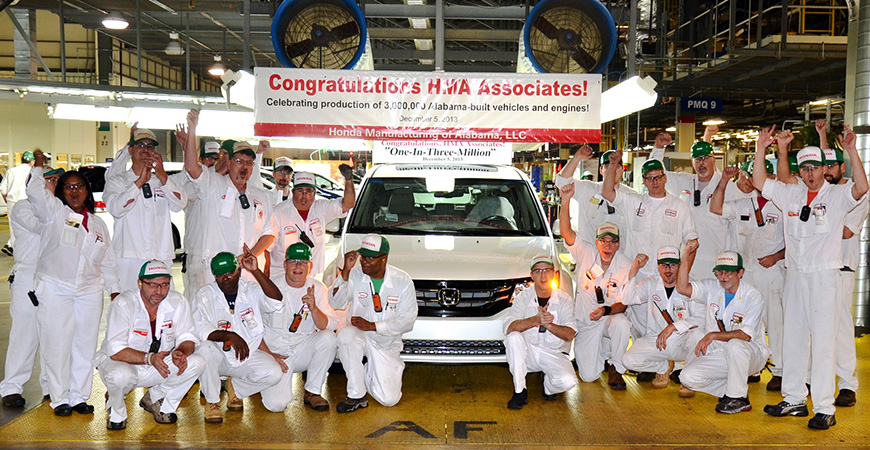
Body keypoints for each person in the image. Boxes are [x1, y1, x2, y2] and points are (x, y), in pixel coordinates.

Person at [755, 125, 868, 429]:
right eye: (804, 169)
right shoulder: (792, 194)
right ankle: (793, 399)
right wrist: (762, 147)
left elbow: (861, 187)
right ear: (800, 171)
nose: (810, 174)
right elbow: (759, 181)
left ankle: (824, 407)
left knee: (822, 342)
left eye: (815, 168)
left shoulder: (837, 195)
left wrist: (852, 151)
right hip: (796, 276)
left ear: (823, 169)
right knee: (794, 339)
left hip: (823, 278)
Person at [26, 150, 121, 416]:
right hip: (56, 288)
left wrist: (113, 289)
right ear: (61, 192)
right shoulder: (54, 212)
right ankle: (59, 399)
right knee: (57, 344)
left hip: (89, 290)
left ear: (87, 191)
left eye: (79, 186)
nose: (75, 191)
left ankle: (79, 395)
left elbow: (108, 258)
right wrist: (39, 166)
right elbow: (35, 193)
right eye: (69, 187)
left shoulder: (99, 224)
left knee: (85, 345)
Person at [95, 260, 205, 430]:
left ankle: (155, 399)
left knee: (197, 362)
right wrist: (149, 358)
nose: (159, 291)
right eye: (153, 285)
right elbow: (115, 350)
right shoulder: (124, 304)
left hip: (158, 363)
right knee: (120, 376)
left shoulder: (178, 302)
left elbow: (188, 336)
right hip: (124, 362)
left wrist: (181, 351)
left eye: (164, 285)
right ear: (140, 283)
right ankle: (117, 411)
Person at [710, 162, 786, 391]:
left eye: (765, 174)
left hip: (771, 272)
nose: (758, 180)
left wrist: (777, 256)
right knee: (745, 323)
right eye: (753, 176)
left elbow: (796, 240)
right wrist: (724, 181)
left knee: (775, 323)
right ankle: (751, 367)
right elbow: (715, 208)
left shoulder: (782, 206)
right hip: (746, 275)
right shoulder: (743, 204)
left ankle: (780, 370)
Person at [182, 109, 275, 283]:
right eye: (239, 161)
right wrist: (192, 129)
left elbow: (269, 233)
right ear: (229, 162)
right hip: (218, 270)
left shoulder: (262, 196)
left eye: (249, 163)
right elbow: (191, 167)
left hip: (250, 272)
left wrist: (250, 255)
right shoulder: (213, 184)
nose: (244, 167)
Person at [675, 243, 769, 414]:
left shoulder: (753, 295)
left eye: (729, 272)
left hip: (750, 355)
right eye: (720, 272)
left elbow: (745, 336)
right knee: (687, 377)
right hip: (720, 354)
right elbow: (682, 288)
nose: (723, 277)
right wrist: (685, 257)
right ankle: (733, 390)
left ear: (740, 273)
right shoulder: (712, 288)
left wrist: (713, 335)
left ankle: (738, 398)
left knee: (735, 344)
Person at [192, 251, 284, 423]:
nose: (226, 278)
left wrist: (256, 271)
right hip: (217, 357)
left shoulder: (251, 290)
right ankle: (213, 402)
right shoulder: (205, 295)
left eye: (230, 273)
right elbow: (199, 328)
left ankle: (236, 388)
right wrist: (228, 335)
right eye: (220, 275)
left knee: (273, 373)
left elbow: (276, 301)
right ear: (214, 276)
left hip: (247, 354)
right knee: (204, 348)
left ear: (239, 270)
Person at [814, 120, 869, 407]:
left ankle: (847, 383)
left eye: (832, 167)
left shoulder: (857, 195)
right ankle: (817, 378)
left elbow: (846, 231)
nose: (827, 171)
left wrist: (814, 230)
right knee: (817, 328)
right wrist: (822, 136)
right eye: (824, 167)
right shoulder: (824, 192)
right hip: (817, 270)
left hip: (841, 269)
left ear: (842, 168)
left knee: (840, 329)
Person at [329, 234, 417, 412]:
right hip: (359, 335)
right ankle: (356, 395)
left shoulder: (403, 281)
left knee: (389, 399)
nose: (364, 262)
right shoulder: (354, 274)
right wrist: (344, 272)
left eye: (371, 257)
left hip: (386, 342)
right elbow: (335, 303)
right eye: (363, 257)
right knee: (346, 335)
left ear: (384, 258)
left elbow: (407, 321)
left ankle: (370, 371)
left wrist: (373, 326)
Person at [0, 167, 62, 408]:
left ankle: (51, 386)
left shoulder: (59, 208)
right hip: (28, 277)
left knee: (53, 335)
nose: (54, 184)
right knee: (24, 335)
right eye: (48, 180)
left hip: (53, 279)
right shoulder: (24, 207)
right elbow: (42, 225)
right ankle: (11, 387)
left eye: (57, 180)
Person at [561, 215, 645, 390]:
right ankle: (603, 351)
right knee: (589, 376)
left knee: (622, 323)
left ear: (618, 244)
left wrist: (606, 310)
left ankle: (616, 367)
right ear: (597, 242)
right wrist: (567, 200)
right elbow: (566, 232)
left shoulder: (625, 265)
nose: (608, 246)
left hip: (608, 318)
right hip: (587, 323)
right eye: (603, 241)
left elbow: (623, 304)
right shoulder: (586, 253)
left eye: (613, 242)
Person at [104, 127, 188, 292]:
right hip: (129, 258)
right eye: (140, 145)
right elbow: (116, 209)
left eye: (150, 146)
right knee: (129, 309)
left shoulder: (163, 181)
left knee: (162, 310)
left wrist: (163, 176)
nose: (146, 150)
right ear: (131, 150)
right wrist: (139, 183)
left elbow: (180, 204)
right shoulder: (118, 181)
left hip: (160, 256)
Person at [649, 131, 741, 279]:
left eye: (705, 159)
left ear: (713, 159)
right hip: (687, 260)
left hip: (716, 261)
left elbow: (736, 228)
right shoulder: (685, 182)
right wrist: (659, 148)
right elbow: (657, 173)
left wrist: (733, 262)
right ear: (692, 162)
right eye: (697, 160)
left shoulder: (728, 187)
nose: (701, 164)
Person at [259, 243, 338, 412]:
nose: (298, 266)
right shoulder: (270, 287)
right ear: (285, 264)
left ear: (310, 266)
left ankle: (312, 391)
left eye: (303, 262)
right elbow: (253, 329)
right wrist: (269, 354)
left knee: (329, 338)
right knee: (276, 406)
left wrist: (314, 308)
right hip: (276, 353)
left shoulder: (318, 288)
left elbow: (328, 324)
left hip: (302, 349)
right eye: (293, 261)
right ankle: (265, 379)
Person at [601, 150, 698, 280]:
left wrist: (682, 275)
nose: (655, 182)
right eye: (650, 178)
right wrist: (612, 165)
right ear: (644, 182)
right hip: (634, 274)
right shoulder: (633, 202)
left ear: (665, 178)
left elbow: (692, 243)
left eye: (658, 177)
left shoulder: (680, 207)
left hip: (665, 277)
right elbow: (607, 193)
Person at [622, 246, 703, 390]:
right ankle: (663, 366)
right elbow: (628, 300)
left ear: (679, 265)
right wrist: (634, 270)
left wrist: (674, 327)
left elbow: (701, 318)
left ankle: (688, 380)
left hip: (683, 340)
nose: (668, 270)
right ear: (658, 267)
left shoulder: (692, 285)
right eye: (664, 265)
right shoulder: (650, 283)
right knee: (628, 360)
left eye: (672, 265)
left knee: (699, 334)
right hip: (658, 339)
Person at [503, 254, 578, 409]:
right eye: (538, 271)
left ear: (554, 274)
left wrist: (549, 325)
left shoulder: (564, 299)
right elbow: (509, 327)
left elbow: (570, 334)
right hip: (528, 352)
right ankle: (520, 391)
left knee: (569, 381)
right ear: (531, 275)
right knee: (513, 338)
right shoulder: (523, 297)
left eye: (547, 270)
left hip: (553, 353)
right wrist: (536, 320)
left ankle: (548, 386)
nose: (543, 275)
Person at [269, 168, 355, 279]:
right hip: (282, 278)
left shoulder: (321, 208)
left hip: (313, 277)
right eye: (300, 191)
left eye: (308, 191)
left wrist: (348, 180)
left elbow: (348, 204)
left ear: (314, 193)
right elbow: (267, 249)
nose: (304, 196)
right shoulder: (278, 213)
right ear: (293, 192)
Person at [170, 133, 222, 299]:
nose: (213, 162)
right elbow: (188, 191)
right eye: (209, 158)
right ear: (200, 159)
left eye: (216, 158)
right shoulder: (193, 183)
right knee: (196, 297)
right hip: (196, 252)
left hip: (216, 250)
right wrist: (187, 149)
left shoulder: (223, 184)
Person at [553, 145, 631, 244]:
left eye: (617, 166)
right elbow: (562, 182)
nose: (613, 169)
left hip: (620, 257)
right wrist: (577, 157)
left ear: (622, 170)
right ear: (601, 170)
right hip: (589, 256)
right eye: (608, 166)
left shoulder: (631, 195)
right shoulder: (587, 189)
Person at [0, 150, 35, 256]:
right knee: (27, 226)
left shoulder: (12, 171)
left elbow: (2, 188)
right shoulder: (32, 172)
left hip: (12, 202)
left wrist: (7, 198)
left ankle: (12, 246)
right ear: (31, 161)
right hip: (26, 202)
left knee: (13, 226)